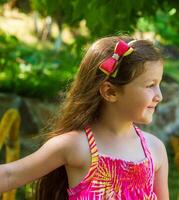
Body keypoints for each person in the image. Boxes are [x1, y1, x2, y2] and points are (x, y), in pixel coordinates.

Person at [0, 36, 169, 199]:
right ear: (110, 92)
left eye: (159, 84)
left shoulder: (155, 150)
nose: (159, 96)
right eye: (150, 85)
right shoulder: (76, 146)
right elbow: (8, 176)